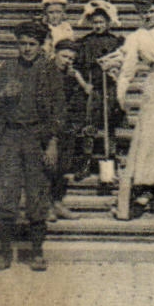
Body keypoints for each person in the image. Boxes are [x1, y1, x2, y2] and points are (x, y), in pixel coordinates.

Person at [0, 20, 64, 271]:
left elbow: (59, 112)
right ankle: (4, 252)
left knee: (36, 195)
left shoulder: (50, 70)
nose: (27, 49)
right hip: (10, 136)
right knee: (7, 193)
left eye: (32, 44)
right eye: (22, 44)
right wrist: (2, 95)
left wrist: (52, 143)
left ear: (41, 46)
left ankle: (36, 252)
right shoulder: (8, 67)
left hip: (36, 138)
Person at [105, 0, 154, 219]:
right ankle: (145, 187)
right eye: (143, 13)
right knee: (149, 137)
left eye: (151, 11)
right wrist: (121, 94)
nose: (147, 16)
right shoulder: (137, 37)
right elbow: (128, 70)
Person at [76, 0, 127, 173]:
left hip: (110, 87)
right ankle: (86, 159)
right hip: (93, 88)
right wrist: (85, 84)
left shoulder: (115, 42)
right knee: (89, 124)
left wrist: (115, 73)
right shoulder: (85, 42)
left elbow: (123, 64)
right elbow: (76, 67)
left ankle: (111, 156)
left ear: (108, 22)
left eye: (101, 22)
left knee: (110, 123)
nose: (98, 25)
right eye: (95, 22)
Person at [49, 38, 93, 221]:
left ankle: (57, 203)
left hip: (67, 125)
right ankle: (45, 205)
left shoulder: (71, 74)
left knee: (64, 166)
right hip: (49, 126)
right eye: (64, 56)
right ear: (55, 53)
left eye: (71, 58)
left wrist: (77, 78)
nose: (67, 61)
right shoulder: (45, 72)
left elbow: (82, 96)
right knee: (49, 167)